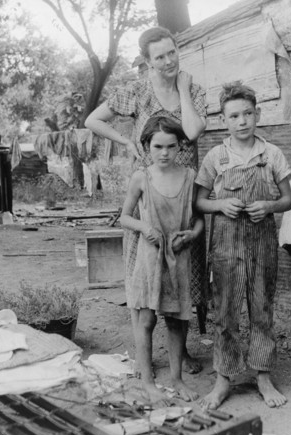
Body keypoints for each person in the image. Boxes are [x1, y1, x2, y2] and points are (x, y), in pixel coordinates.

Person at [85, 26, 207, 375]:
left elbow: (194, 131)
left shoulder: (193, 90)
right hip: (149, 194)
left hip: (184, 194)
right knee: (146, 272)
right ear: (147, 61)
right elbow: (92, 119)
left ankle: (179, 354)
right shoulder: (136, 91)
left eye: (172, 52)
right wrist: (125, 142)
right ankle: (144, 357)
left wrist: (180, 88)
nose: (168, 61)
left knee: (183, 272)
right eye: (160, 57)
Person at [195, 81, 291, 409]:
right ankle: (223, 379)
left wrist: (268, 206)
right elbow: (199, 202)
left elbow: (288, 200)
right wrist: (220, 205)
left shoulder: (272, 154)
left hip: (262, 243)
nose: (242, 121)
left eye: (248, 114)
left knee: (261, 308)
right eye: (234, 115)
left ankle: (263, 375)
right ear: (224, 120)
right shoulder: (216, 157)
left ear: (257, 114)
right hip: (225, 246)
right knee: (225, 312)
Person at [120, 116, 204, 405]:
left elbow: (199, 221)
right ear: (146, 146)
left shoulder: (190, 176)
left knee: (177, 321)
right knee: (146, 318)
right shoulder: (142, 177)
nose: (164, 153)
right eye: (158, 147)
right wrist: (145, 227)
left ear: (180, 146)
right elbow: (124, 217)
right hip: (149, 257)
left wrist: (191, 236)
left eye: (171, 146)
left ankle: (177, 379)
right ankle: (148, 383)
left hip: (178, 257)